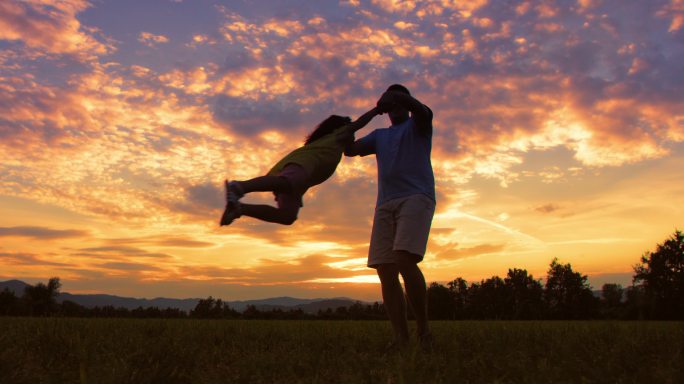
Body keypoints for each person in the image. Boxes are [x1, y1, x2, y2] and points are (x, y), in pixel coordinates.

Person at [344, 84, 435, 350]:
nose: (395, 106)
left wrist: (399, 98)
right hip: (385, 203)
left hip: (416, 197)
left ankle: (424, 332)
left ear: (406, 102)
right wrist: (372, 112)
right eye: (390, 103)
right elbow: (349, 149)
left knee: (405, 259)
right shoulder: (380, 135)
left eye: (399, 101)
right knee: (385, 268)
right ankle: (400, 338)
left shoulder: (418, 125)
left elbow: (423, 111)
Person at [220, 107, 380, 226]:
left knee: (287, 216)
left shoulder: (335, 146)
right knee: (288, 183)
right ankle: (239, 187)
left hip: (299, 180)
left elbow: (351, 150)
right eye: (350, 131)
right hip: (300, 165)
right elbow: (359, 124)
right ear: (341, 128)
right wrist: (377, 110)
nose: (352, 136)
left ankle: (239, 209)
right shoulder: (337, 135)